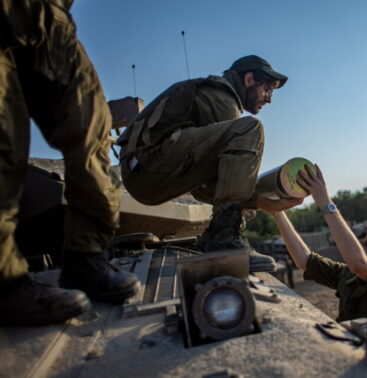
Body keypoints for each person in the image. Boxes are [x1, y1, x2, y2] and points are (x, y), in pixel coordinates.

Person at [0, 0, 139, 326]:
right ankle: (5, 280)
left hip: (52, 14)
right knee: (5, 133)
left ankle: (86, 255)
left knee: (91, 121)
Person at [118, 55, 295, 273]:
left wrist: (258, 201)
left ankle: (216, 237)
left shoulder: (218, 98)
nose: (269, 99)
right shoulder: (222, 97)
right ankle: (224, 239)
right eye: (267, 89)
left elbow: (207, 185)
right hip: (147, 167)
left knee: (242, 135)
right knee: (250, 129)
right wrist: (255, 201)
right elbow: (220, 183)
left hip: (145, 173)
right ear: (249, 79)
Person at [267, 166, 367, 331]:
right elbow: (304, 261)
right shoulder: (351, 274)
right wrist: (277, 212)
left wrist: (325, 202)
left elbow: (360, 263)